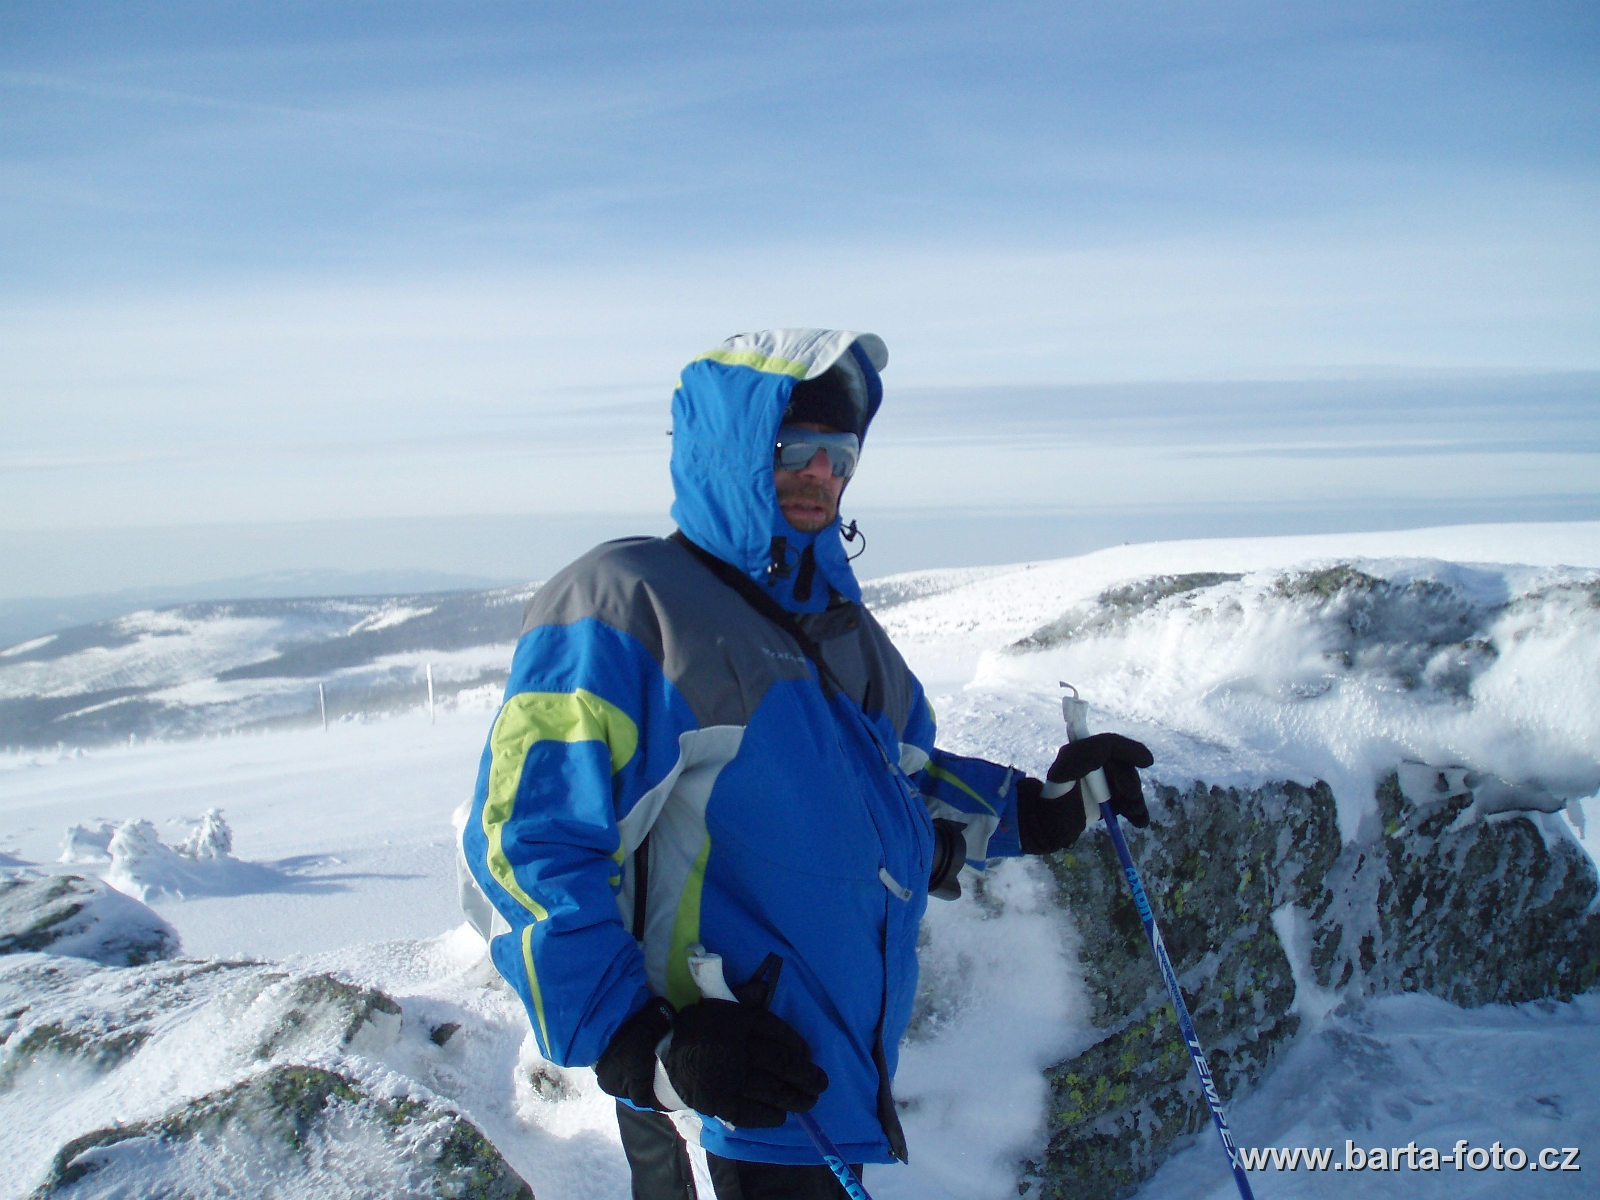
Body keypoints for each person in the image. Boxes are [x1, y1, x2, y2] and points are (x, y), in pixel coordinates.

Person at [460, 329, 1153, 1199]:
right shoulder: (629, 606)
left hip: (823, 1086)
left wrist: (1038, 808)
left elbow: (900, 782)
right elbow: (525, 845)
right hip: (712, 1096)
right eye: (795, 449)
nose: (822, 473)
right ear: (732, 452)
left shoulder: (843, 635)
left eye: (841, 455)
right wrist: (640, 1045)